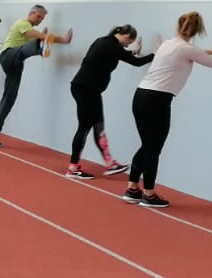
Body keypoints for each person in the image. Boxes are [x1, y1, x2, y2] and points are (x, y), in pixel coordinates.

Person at [123, 12, 212, 208]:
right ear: (198, 31)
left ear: (178, 26)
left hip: (141, 95)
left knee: (147, 145)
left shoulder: (168, 44)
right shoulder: (187, 49)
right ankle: (148, 194)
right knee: (153, 147)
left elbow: (193, 53)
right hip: (157, 100)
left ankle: (132, 189)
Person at [65, 25, 153, 178]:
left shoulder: (104, 42)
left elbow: (119, 54)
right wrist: (155, 55)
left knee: (98, 125)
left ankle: (109, 163)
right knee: (85, 127)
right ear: (127, 37)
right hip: (86, 89)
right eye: (128, 43)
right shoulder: (113, 46)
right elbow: (136, 62)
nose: (127, 46)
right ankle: (73, 168)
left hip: (86, 88)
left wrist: (133, 52)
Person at [0, 4, 72, 147]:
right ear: (31, 13)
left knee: (10, 98)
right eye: (38, 16)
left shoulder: (29, 30)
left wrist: (43, 38)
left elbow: (38, 38)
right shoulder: (22, 23)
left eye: (42, 18)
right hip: (8, 55)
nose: (40, 20)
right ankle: (40, 48)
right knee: (35, 42)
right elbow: (39, 36)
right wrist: (61, 40)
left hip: (16, 62)